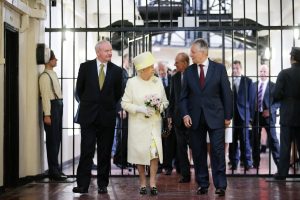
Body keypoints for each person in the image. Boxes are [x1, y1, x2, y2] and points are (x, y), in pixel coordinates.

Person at [180, 38, 232, 196]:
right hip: (195, 118)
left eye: (193, 52)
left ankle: (220, 185)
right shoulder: (188, 72)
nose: (191, 55)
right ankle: (202, 184)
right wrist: (185, 114)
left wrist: (228, 115)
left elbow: (227, 94)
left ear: (203, 52)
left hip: (216, 117)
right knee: (198, 152)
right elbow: (183, 97)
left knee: (217, 151)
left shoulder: (219, 69)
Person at [73, 40, 123, 194]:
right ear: (98, 52)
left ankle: (103, 184)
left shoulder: (117, 71)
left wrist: (107, 107)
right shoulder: (85, 67)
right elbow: (79, 91)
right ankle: (82, 184)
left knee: (105, 152)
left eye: (110, 50)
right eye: (107, 50)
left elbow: (118, 93)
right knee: (87, 150)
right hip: (88, 117)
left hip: (107, 117)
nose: (110, 53)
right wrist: (89, 104)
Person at [121, 51, 169, 195]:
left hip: (154, 124)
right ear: (141, 70)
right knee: (140, 155)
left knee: (154, 155)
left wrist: (159, 107)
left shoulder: (157, 81)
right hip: (138, 125)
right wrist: (140, 109)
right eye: (150, 67)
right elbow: (124, 103)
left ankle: (153, 182)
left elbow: (165, 101)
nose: (153, 69)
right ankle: (142, 182)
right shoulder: (132, 82)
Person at [39, 49, 67, 181]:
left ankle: (55, 169)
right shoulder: (45, 76)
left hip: (58, 106)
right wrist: (47, 115)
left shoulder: (52, 74)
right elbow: (45, 97)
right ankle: (53, 171)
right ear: (49, 61)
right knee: (52, 141)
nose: (56, 60)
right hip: (52, 108)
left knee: (57, 139)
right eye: (54, 58)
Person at [273, 47, 300, 180]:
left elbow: (276, 94)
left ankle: (282, 173)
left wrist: (284, 96)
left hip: (287, 114)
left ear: (292, 58)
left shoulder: (284, 74)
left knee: (285, 146)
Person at [250, 64, 280, 169]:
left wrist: (270, 111)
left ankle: (279, 165)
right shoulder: (253, 85)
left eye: (265, 71)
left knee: (273, 140)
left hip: (268, 116)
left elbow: (279, 102)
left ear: (268, 73)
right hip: (256, 116)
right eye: (261, 71)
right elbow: (249, 101)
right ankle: (255, 163)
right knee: (255, 141)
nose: (262, 73)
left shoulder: (274, 86)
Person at [168, 52, 191, 183]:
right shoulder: (175, 77)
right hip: (177, 118)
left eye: (177, 62)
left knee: (196, 147)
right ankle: (185, 174)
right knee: (181, 148)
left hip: (192, 118)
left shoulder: (193, 75)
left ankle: (200, 174)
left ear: (185, 63)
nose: (174, 64)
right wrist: (170, 116)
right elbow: (172, 98)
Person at [229, 60, 253, 170]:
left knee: (245, 140)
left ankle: (247, 163)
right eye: (233, 68)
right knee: (232, 140)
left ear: (241, 68)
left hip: (244, 115)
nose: (234, 70)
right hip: (232, 115)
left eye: (237, 68)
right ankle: (233, 163)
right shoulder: (228, 81)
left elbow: (252, 100)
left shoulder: (248, 81)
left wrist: (251, 117)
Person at [156, 61, 177, 175]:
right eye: (160, 70)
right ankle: (159, 165)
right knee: (158, 140)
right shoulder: (154, 80)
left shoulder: (172, 79)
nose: (162, 72)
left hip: (169, 114)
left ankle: (168, 166)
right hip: (157, 114)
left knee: (169, 141)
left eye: (163, 70)